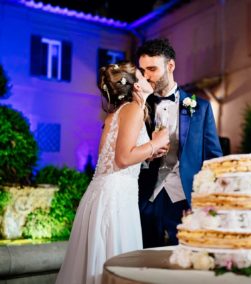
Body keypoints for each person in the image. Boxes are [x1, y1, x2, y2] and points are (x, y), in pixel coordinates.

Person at [56, 62, 169, 284]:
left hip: (103, 192)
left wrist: (148, 153)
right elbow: (123, 158)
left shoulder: (119, 113)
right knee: (116, 264)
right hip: (116, 197)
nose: (147, 77)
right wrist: (157, 143)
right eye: (141, 75)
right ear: (135, 86)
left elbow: (114, 157)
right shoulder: (132, 110)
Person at [137, 38, 223, 248]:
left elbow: (213, 159)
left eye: (152, 69)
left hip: (185, 199)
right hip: (147, 198)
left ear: (171, 66)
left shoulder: (200, 107)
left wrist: (208, 201)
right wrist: (147, 155)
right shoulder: (138, 107)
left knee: (185, 260)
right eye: (142, 70)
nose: (146, 76)